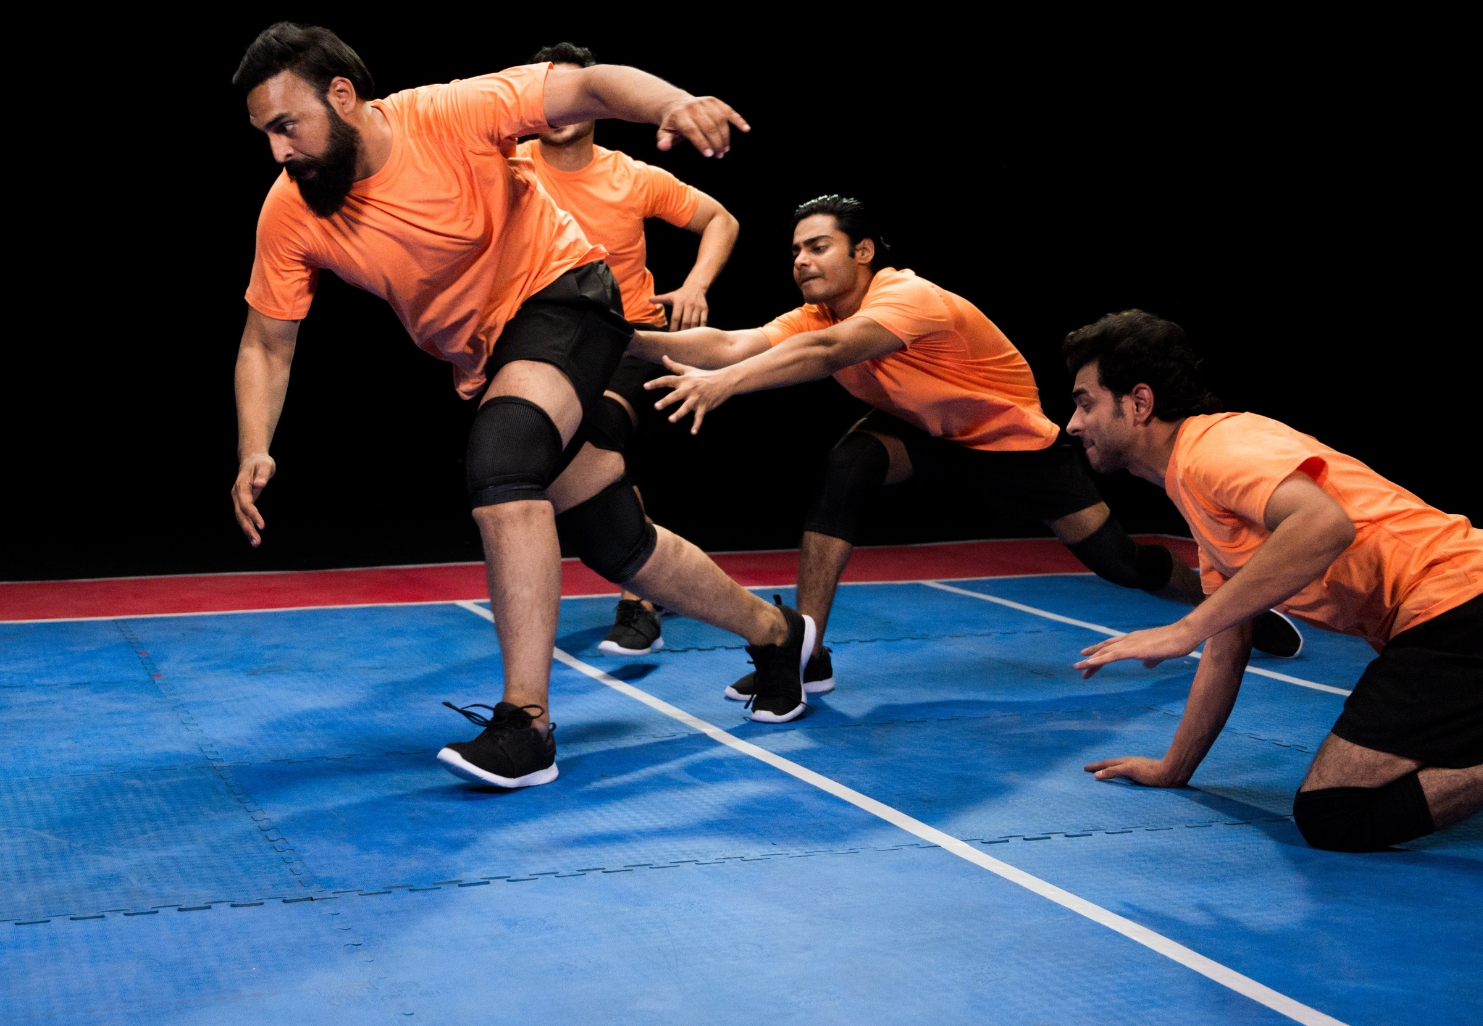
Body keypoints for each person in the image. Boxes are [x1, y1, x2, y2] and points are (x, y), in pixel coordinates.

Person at [229, 24, 821, 794]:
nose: (279, 150)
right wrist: (253, 446)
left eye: (286, 125)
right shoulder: (291, 211)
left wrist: (673, 102)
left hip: (566, 293)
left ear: (342, 97)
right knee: (615, 540)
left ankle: (526, 725)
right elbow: (266, 344)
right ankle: (781, 638)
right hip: (489, 357)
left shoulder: (447, 115)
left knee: (502, 462)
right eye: (265, 134)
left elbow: (593, 86)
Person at [631, 195, 1301, 703]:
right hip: (927, 439)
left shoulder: (908, 296)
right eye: (795, 251)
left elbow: (829, 354)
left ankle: (1237, 606)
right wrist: (624, 336)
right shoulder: (812, 315)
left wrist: (723, 387)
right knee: (849, 462)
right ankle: (804, 650)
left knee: (1119, 563)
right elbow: (727, 344)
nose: (800, 261)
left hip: (1015, 450)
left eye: (817, 247)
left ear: (862, 252)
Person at [1063, 310, 1483, 852]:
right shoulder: (1195, 490)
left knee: (1332, 813)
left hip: (1468, 608)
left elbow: (1323, 524)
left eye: (1084, 402)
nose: (1073, 424)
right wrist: (1174, 767)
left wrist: (1183, 629)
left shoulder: (1215, 450)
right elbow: (1227, 644)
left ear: (1139, 403)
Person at [517, 42, 741, 658]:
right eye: (550, 90)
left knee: (599, 434)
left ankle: (639, 599)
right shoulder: (508, 171)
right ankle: (652, 571)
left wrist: (695, 285)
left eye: (576, 89)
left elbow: (721, 219)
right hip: (543, 349)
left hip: (630, 344)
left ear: (596, 99)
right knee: (552, 467)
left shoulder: (631, 176)